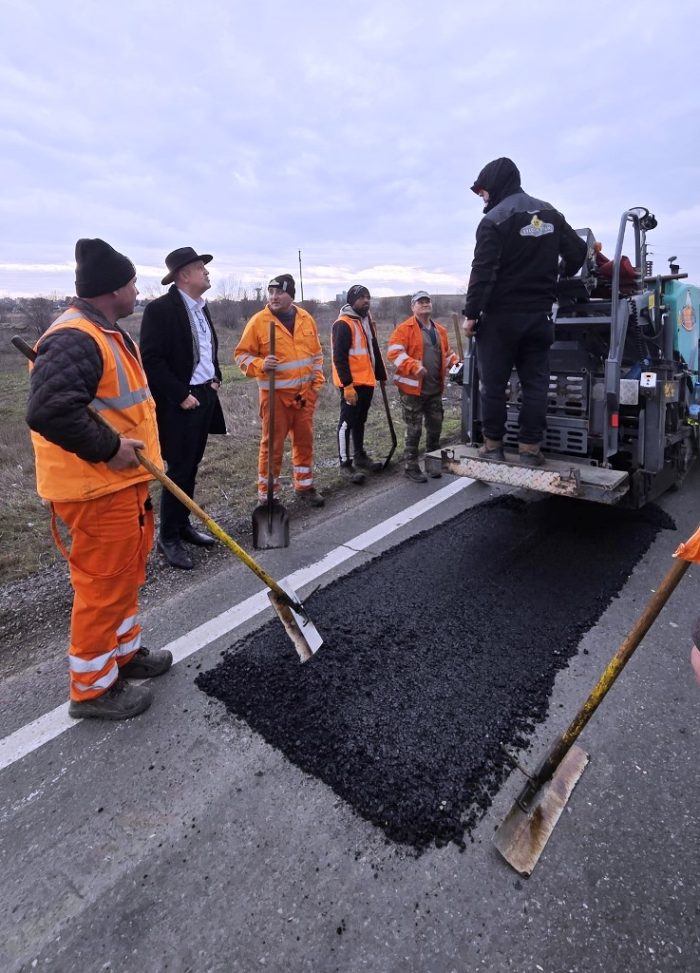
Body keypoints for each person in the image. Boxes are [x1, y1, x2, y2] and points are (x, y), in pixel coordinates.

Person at [25, 239, 172, 721]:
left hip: (121, 482)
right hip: (94, 485)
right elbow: (48, 411)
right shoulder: (75, 337)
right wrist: (111, 447)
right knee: (103, 585)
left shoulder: (105, 331)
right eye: (133, 284)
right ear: (113, 289)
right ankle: (91, 689)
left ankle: (124, 656)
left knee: (127, 573)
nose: (137, 292)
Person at [463, 157, 588, 466]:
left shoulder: (494, 220)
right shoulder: (551, 214)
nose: (483, 198)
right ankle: (530, 450)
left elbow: (483, 271)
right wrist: (562, 273)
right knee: (535, 385)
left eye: (483, 192)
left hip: (500, 320)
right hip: (539, 318)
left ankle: (493, 446)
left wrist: (471, 314)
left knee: (493, 384)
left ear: (495, 185)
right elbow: (578, 252)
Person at [140, 247, 227, 569]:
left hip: (205, 396)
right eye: (200, 268)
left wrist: (215, 377)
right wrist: (180, 395)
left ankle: (183, 524)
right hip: (181, 403)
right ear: (183, 275)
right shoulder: (160, 310)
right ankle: (168, 537)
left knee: (191, 465)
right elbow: (151, 359)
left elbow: (206, 349)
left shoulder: (202, 308)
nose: (207, 273)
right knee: (178, 468)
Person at [234, 274, 325, 507]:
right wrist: (261, 365)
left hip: (304, 397)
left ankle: (304, 486)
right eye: (271, 292)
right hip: (275, 398)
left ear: (290, 295)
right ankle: (267, 496)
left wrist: (315, 386)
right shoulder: (258, 322)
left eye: (279, 292)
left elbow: (316, 355)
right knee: (272, 447)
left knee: (304, 443)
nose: (274, 297)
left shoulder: (306, 319)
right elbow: (241, 355)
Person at [387, 291, 458, 483]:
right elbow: (393, 352)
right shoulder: (404, 329)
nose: (425, 304)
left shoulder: (440, 330)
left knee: (435, 427)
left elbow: (447, 353)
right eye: (421, 302)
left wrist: (456, 363)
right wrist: (413, 366)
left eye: (427, 301)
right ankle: (411, 466)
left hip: (434, 388)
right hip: (412, 391)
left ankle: (433, 463)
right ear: (413, 307)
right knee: (414, 429)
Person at [331, 284, 388, 484]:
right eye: (361, 297)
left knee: (360, 420)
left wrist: (381, 374)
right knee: (346, 424)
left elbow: (373, 350)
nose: (366, 300)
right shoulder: (343, 323)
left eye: (368, 297)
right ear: (351, 300)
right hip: (352, 385)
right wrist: (347, 386)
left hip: (367, 381)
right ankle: (345, 464)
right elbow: (339, 358)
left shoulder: (365, 322)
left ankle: (360, 456)